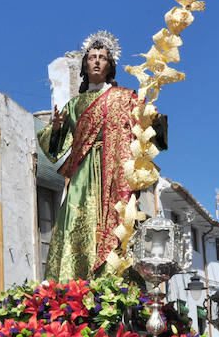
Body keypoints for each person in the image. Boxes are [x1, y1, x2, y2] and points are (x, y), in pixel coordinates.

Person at [36, 31, 143, 282]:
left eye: (102, 57)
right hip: (83, 173)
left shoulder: (125, 97)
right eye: (92, 57)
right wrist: (57, 127)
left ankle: (113, 280)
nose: (96, 61)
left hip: (115, 172)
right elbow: (55, 149)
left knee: (116, 222)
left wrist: (152, 122)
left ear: (110, 65)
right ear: (85, 65)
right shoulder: (75, 104)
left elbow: (146, 132)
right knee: (74, 220)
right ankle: (72, 283)